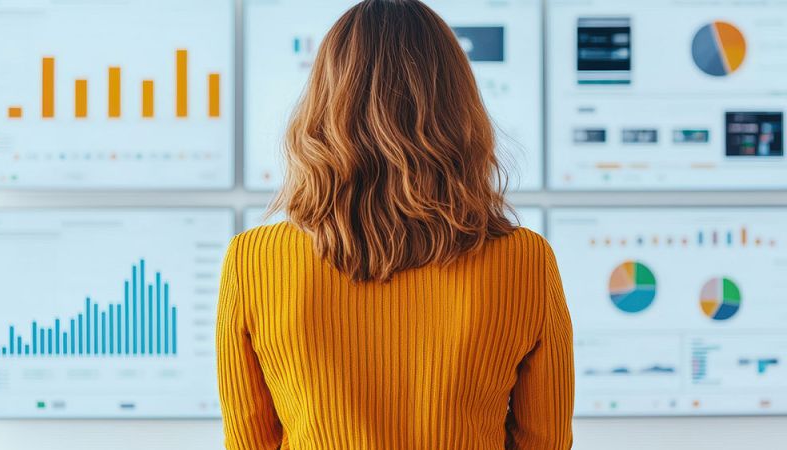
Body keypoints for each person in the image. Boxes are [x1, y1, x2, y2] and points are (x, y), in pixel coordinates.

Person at [216, 1, 573, 448]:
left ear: (322, 110)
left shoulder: (254, 262)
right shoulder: (525, 261)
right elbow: (545, 440)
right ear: (457, 108)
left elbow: (249, 441)